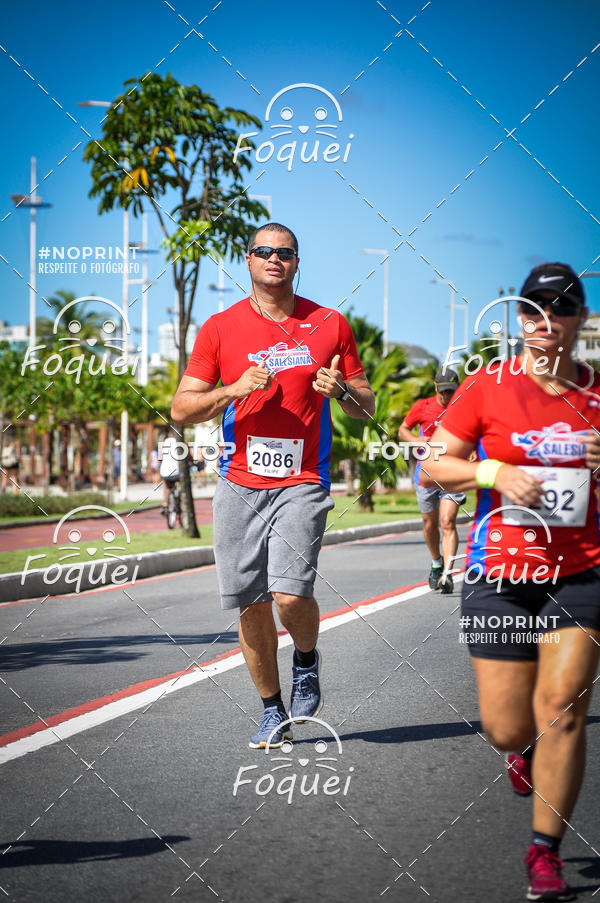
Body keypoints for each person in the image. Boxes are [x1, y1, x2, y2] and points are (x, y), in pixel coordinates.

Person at [424, 262, 600, 901]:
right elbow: (439, 464)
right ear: (517, 317)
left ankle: (543, 851)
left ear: (580, 319)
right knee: (506, 726)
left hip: (581, 571)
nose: (543, 323)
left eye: (559, 309)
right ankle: (518, 751)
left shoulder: (597, 396)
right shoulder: (487, 385)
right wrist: (494, 474)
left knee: (562, 711)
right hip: (498, 574)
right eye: (531, 310)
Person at [171, 222, 374, 749]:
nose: (274, 260)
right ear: (248, 260)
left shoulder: (329, 324)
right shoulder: (220, 327)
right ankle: (271, 709)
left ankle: (305, 661)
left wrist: (341, 394)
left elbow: (366, 402)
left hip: (304, 478)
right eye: (264, 252)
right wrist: (232, 389)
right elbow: (182, 408)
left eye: (284, 253)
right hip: (238, 481)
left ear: (297, 261)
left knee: (288, 593)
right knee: (250, 601)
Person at [398, 367, 466, 593]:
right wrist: (415, 442)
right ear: (435, 387)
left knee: (447, 521)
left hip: (453, 474)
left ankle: (447, 573)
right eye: (443, 391)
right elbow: (403, 430)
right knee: (430, 524)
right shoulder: (422, 407)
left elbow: (476, 432)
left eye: (451, 391)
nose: (447, 396)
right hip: (426, 475)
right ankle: (436, 562)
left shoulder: (463, 406)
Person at [159, 434, 181, 510]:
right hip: (177, 472)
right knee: (182, 484)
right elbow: (188, 456)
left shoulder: (163, 444)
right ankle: (181, 501)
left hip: (165, 472)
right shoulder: (180, 442)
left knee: (167, 487)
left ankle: (165, 503)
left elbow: (160, 458)